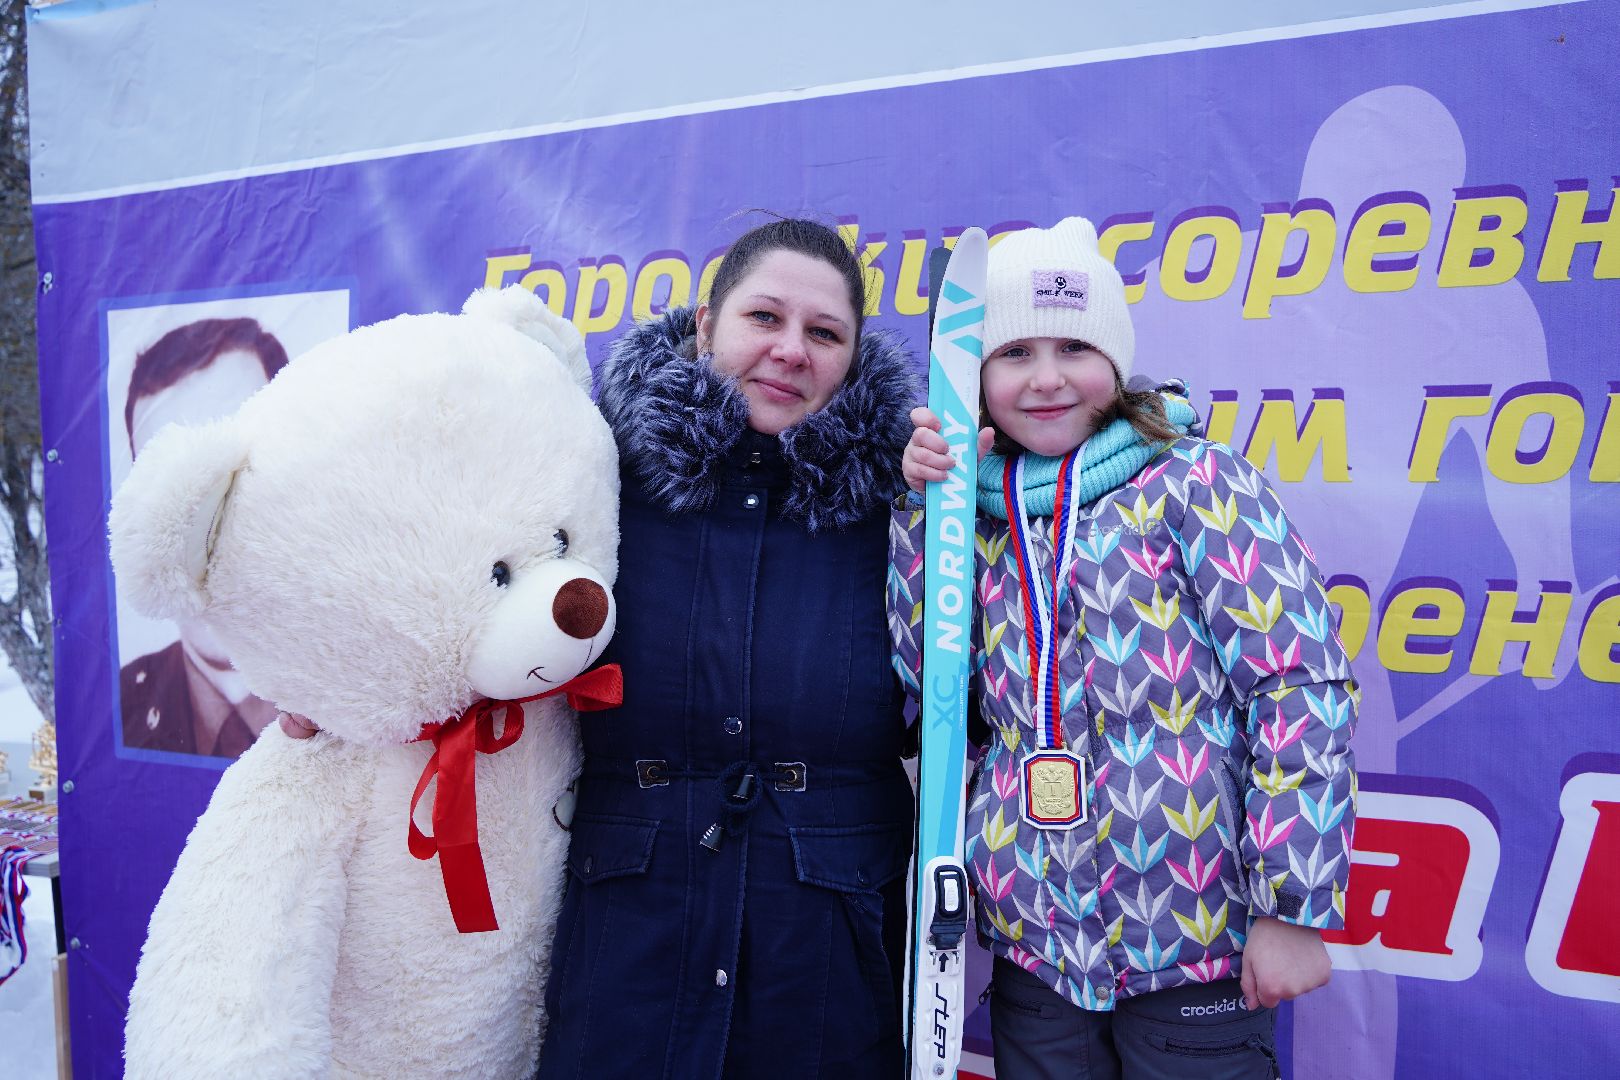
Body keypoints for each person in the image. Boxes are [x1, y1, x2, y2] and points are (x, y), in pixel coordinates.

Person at [286, 218, 921, 1076]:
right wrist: (339, 676)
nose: (790, 351)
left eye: (823, 333)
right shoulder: (601, 474)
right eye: (764, 318)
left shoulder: (904, 502)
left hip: (824, 959)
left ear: (853, 355)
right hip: (635, 934)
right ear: (707, 324)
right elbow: (455, 582)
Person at [892, 217, 1357, 1079]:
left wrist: (1291, 908)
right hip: (1040, 960)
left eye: (1074, 345)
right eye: (1013, 353)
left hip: (1195, 949)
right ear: (977, 376)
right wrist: (927, 513)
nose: (1045, 379)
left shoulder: (1195, 483)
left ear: (1115, 359)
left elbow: (1297, 687)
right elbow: (925, 676)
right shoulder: (974, 514)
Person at [119, 318, 288, 757]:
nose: (203, 523)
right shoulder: (124, 709)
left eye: (238, 472)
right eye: (166, 484)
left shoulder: (374, 701)